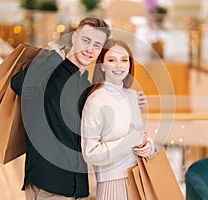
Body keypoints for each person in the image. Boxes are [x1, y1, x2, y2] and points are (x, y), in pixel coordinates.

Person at [11, 17, 147, 200]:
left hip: (76, 188)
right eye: (86, 40)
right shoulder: (51, 69)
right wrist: (51, 56)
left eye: (97, 44)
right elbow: (19, 85)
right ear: (74, 37)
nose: (90, 49)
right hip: (48, 185)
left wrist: (131, 101)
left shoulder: (86, 84)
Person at [81, 39, 155, 200]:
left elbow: (140, 135)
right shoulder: (95, 101)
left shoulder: (131, 96)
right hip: (113, 186)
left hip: (139, 180)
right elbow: (90, 153)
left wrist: (149, 145)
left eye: (124, 60)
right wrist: (129, 142)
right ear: (101, 65)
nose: (119, 66)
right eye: (112, 60)